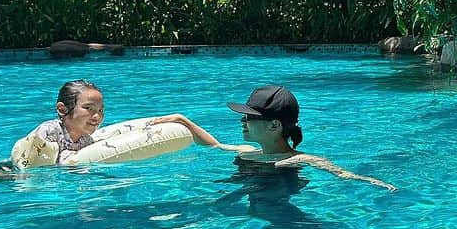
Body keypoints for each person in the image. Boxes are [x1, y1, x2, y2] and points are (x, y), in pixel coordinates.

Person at [149, 85, 396, 190]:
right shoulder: (246, 151)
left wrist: (378, 183)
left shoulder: (299, 160)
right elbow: (214, 145)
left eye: (249, 117)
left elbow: (343, 174)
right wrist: (182, 119)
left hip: (283, 216)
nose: (242, 121)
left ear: (274, 125)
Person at [29, 80, 106, 164]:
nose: (97, 116)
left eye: (101, 110)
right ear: (62, 109)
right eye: (88, 108)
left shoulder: (85, 140)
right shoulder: (50, 131)